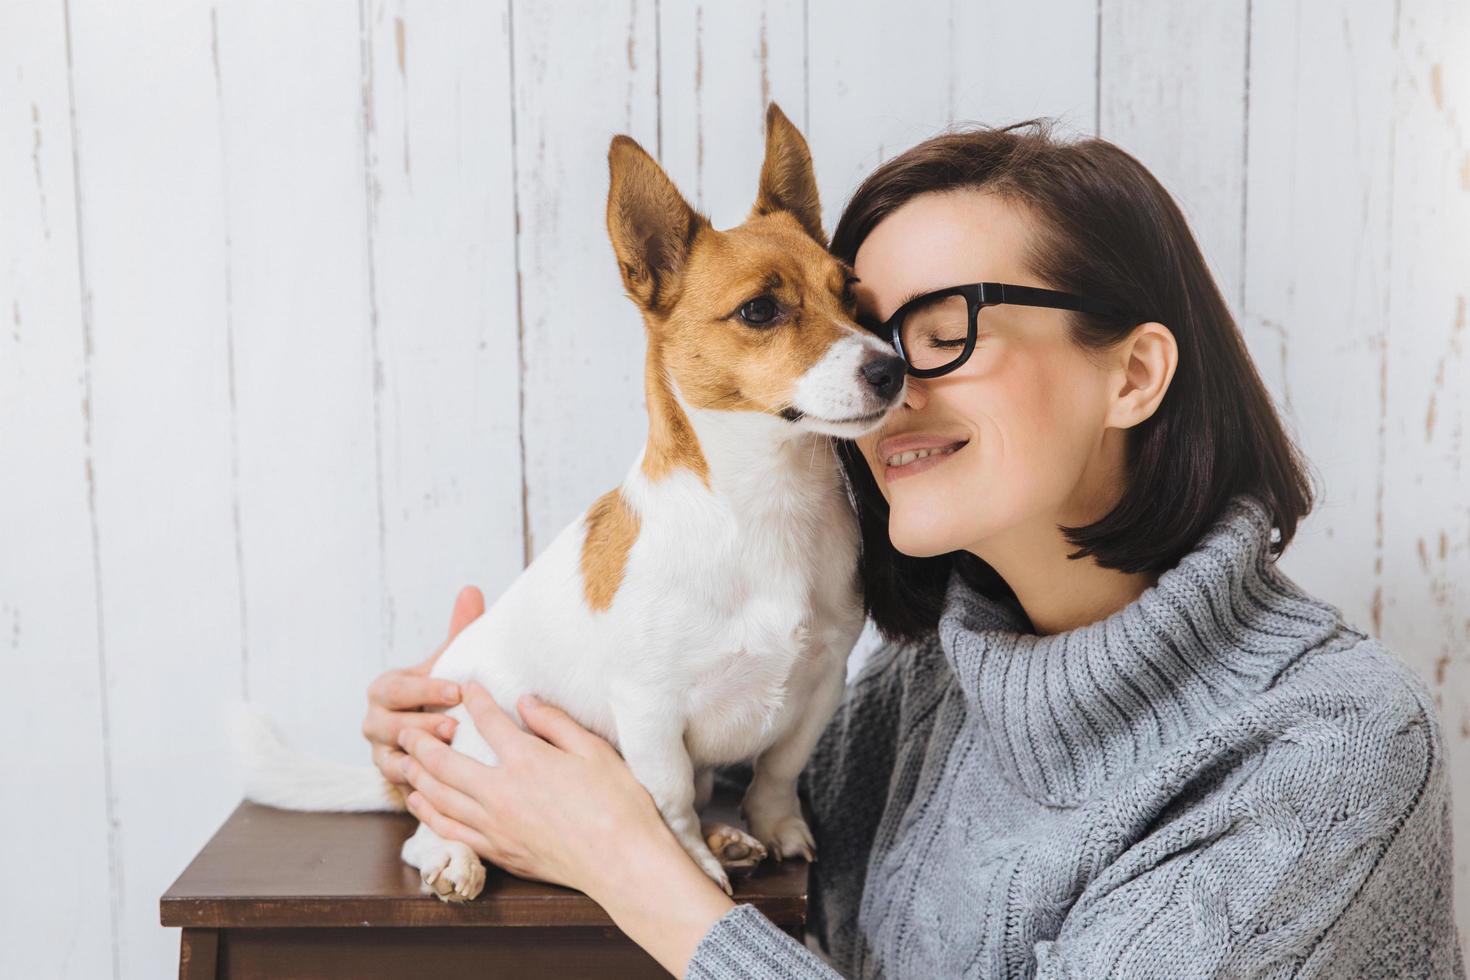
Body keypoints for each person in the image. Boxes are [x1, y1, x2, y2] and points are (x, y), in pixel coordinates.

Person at [363, 120, 1466, 978]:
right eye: (871, 335)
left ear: (1131, 375)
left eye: (945, 333)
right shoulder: (924, 689)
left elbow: (644, 850)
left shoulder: (1330, 753)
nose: (879, 381)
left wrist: (635, 868)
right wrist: (468, 746)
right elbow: (680, 755)